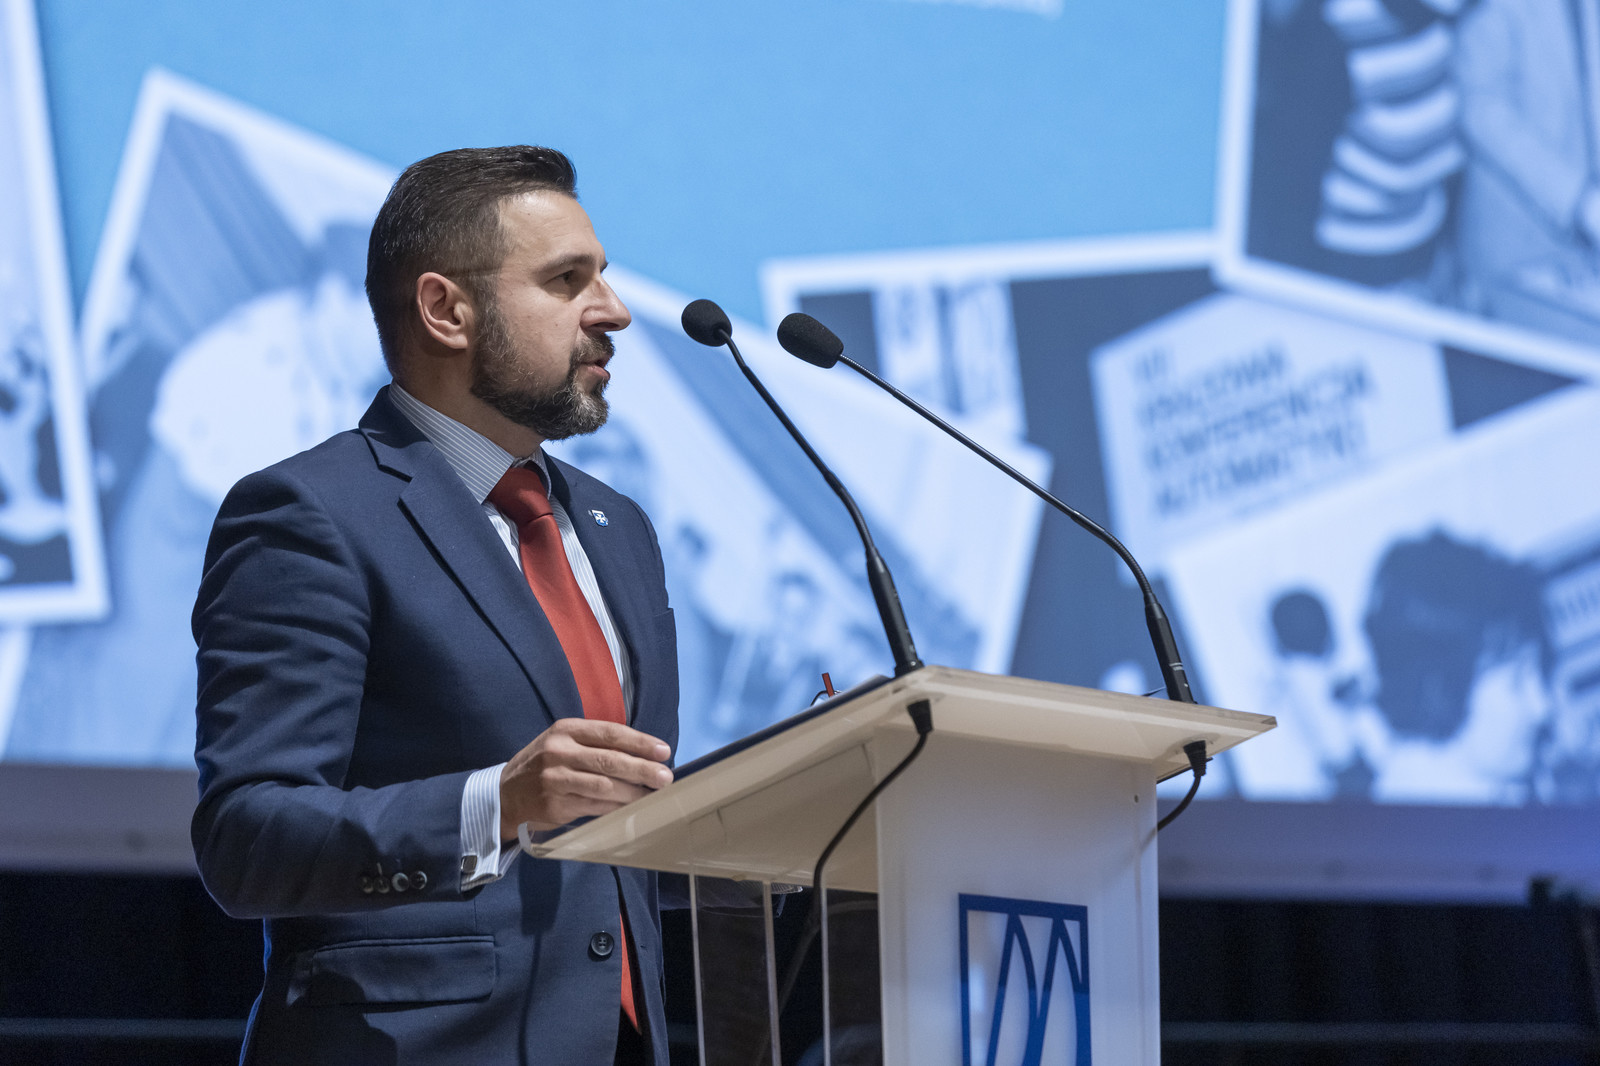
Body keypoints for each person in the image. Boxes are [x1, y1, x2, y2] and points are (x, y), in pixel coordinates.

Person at [190, 146, 678, 1065]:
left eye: (603, 276)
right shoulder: (311, 514)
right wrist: (496, 804)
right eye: (567, 280)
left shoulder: (620, 529)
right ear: (446, 310)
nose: (613, 310)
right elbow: (247, 840)